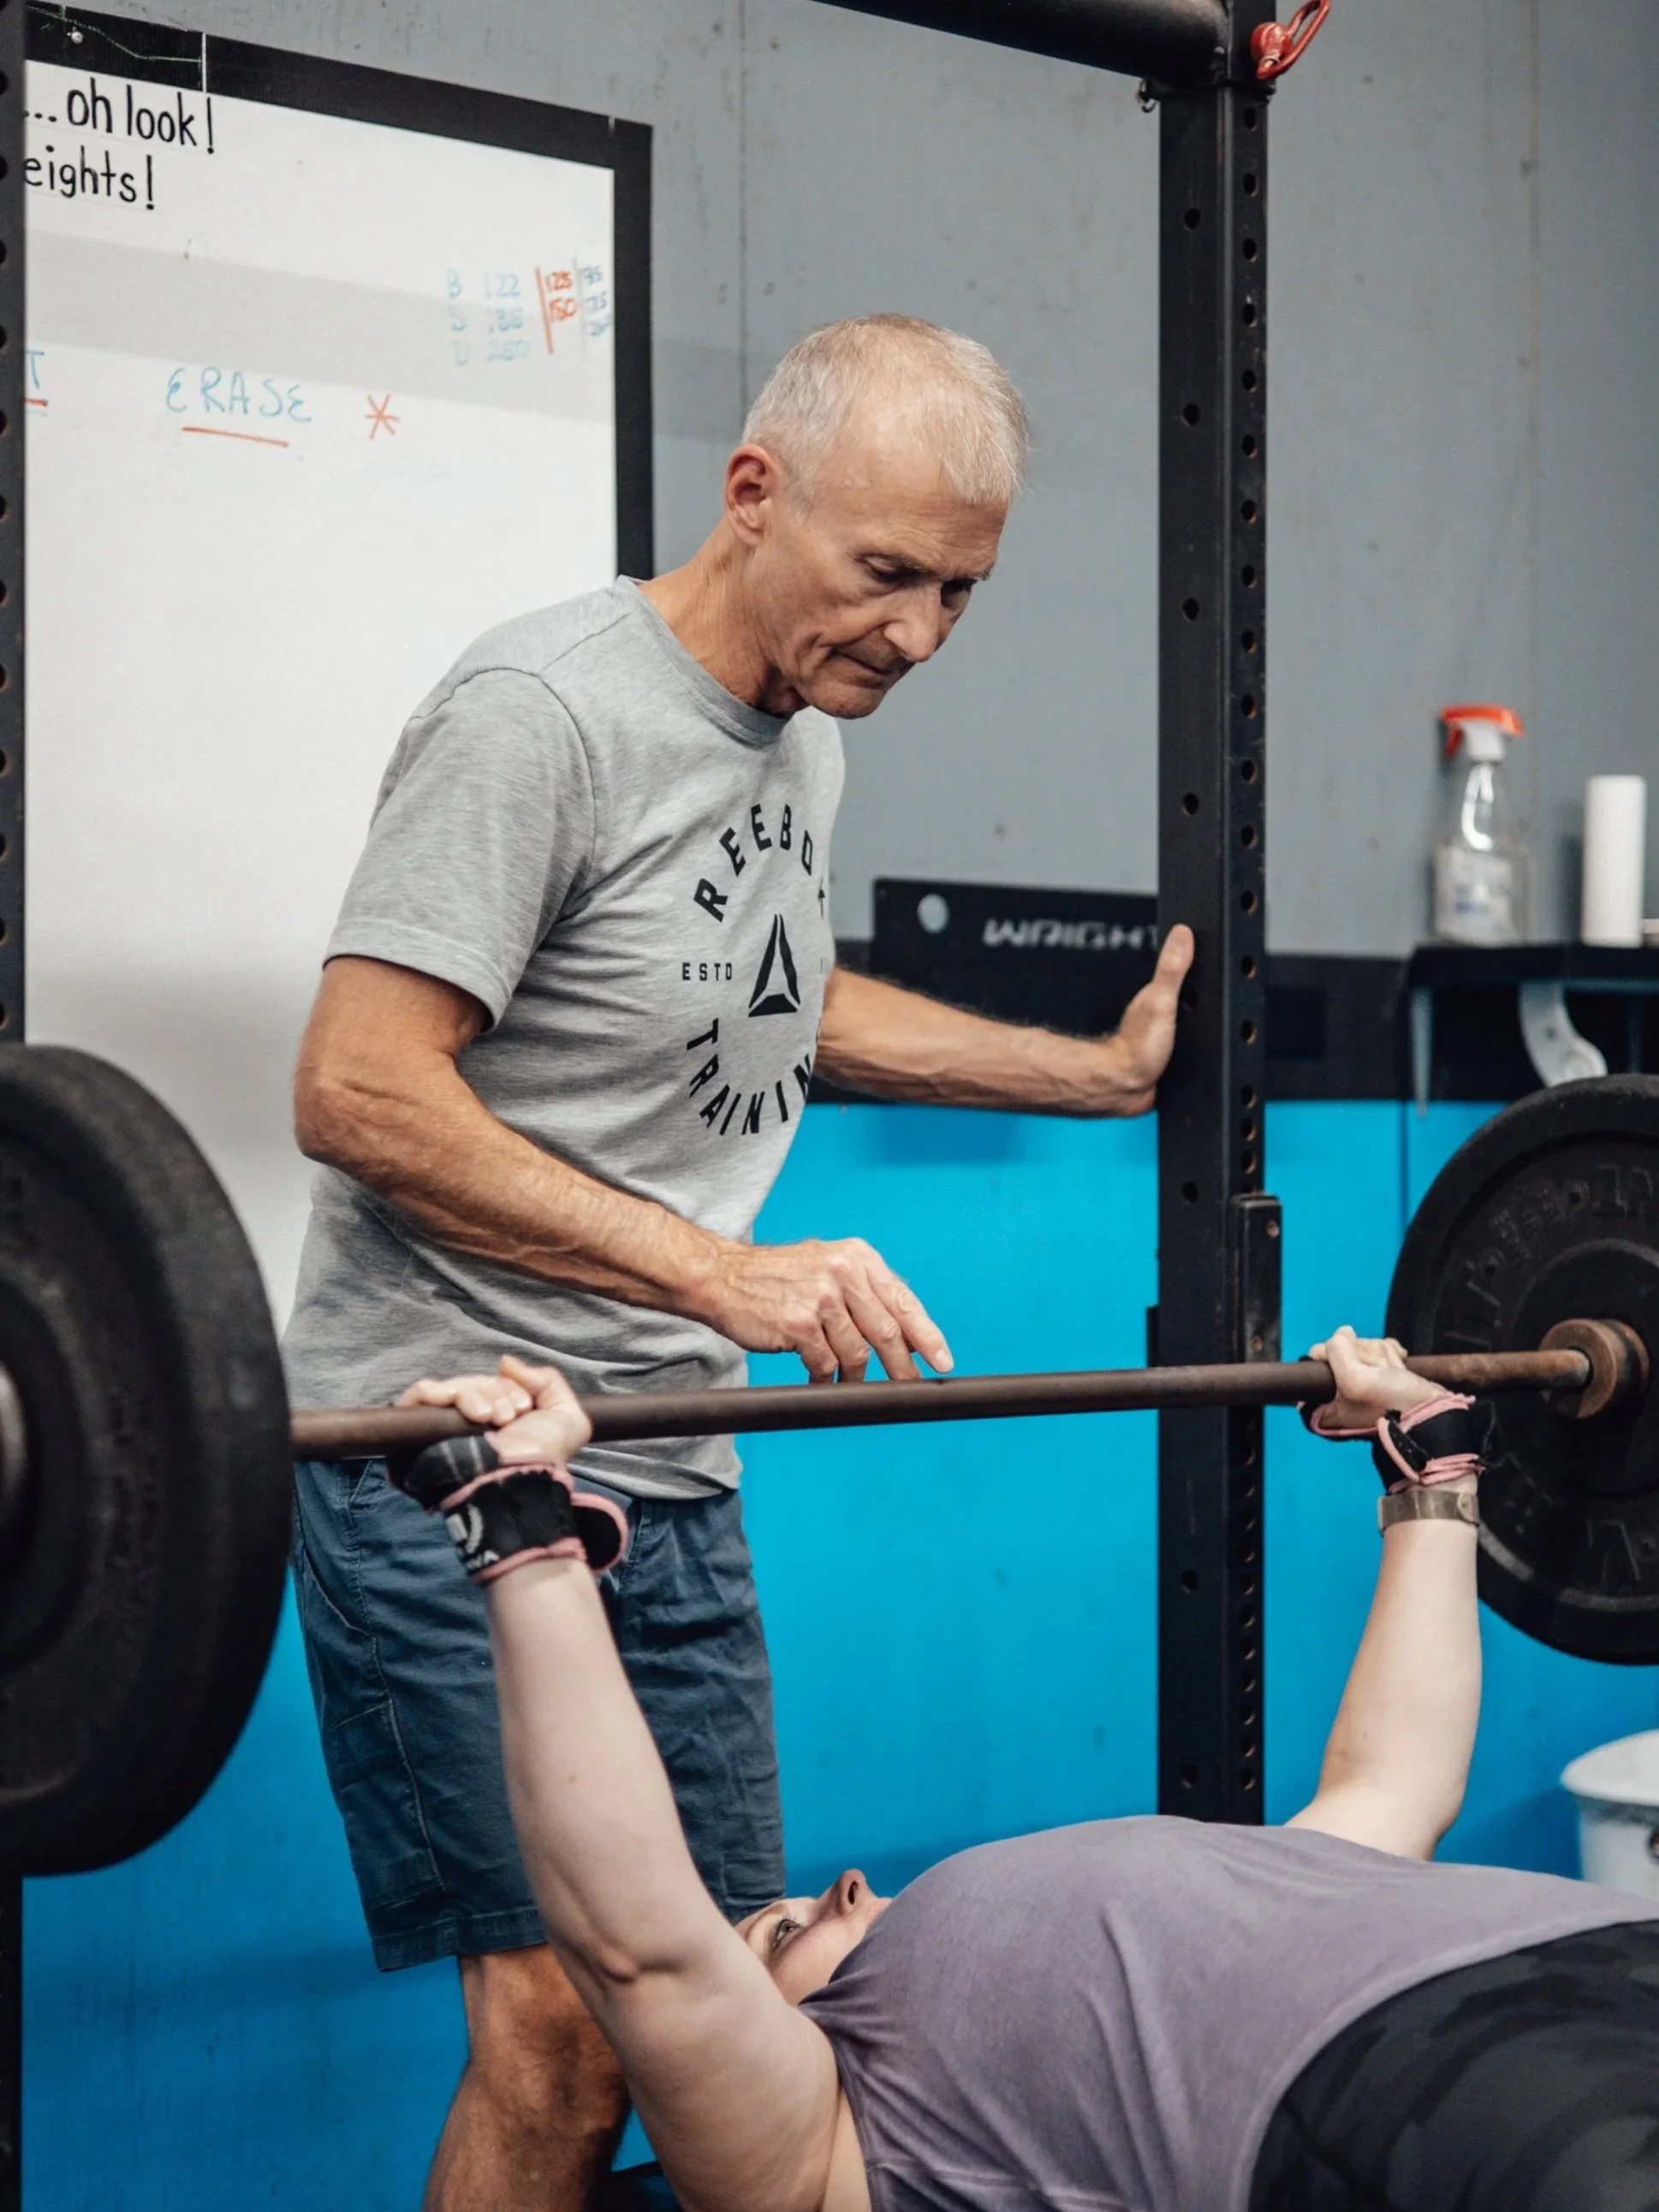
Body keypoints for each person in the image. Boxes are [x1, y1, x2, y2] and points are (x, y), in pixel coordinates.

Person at [282, 312, 1196, 2212]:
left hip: (670, 1460)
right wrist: (721, 1276)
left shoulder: (802, 736)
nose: (920, 634)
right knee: (559, 2034)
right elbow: (359, 1087)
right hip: (447, 1450)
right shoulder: (540, 712)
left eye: (961, 591)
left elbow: (769, 996)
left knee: (720, 2019)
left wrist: (1088, 1076)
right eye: (888, 572)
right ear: (754, 492)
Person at [393, 1329, 1659, 2212]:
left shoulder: (1263, 1885)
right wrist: (524, 1537)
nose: (839, 1889)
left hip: (1590, 1949)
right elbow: (642, 1948)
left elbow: (1395, 1785)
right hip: (1403, 2089)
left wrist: (1433, 1467)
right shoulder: (820, 2155)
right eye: (777, 1933)